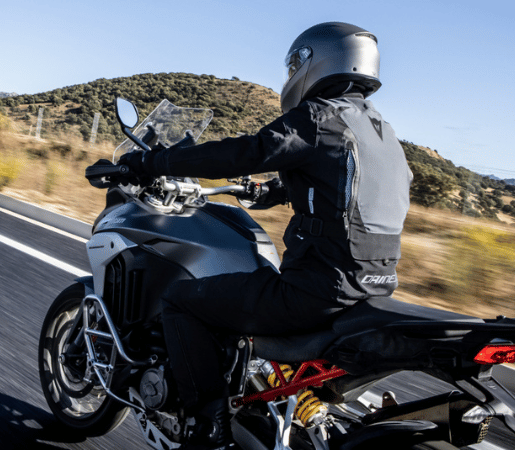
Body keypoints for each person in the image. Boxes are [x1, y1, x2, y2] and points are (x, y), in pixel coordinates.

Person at [118, 22, 413, 449]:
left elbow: (245, 152)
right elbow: (344, 190)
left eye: (294, 66)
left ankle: (208, 428)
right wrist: (274, 190)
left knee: (182, 301)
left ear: (315, 62)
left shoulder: (319, 117)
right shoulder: (380, 132)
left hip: (315, 291)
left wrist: (153, 162)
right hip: (374, 288)